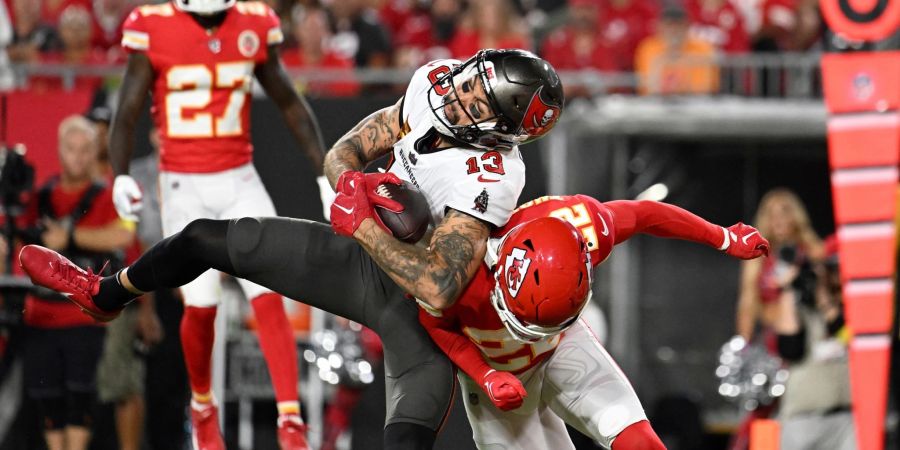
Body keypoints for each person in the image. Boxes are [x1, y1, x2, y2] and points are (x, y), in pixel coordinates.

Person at [20, 48, 566, 450]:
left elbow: (439, 289)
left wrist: (366, 227)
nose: (459, 94)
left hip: (421, 315)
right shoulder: (433, 83)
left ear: (502, 132)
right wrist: (352, 184)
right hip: (357, 262)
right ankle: (105, 292)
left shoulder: (493, 175)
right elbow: (346, 150)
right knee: (205, 237)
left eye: (477, 100)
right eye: (471, 81)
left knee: (406, 440)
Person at [107, 1, 328, 448]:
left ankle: (291, 420)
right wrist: (121, 173)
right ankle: (203, 406)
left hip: (239, 176)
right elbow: (128, 106)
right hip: (183, 182)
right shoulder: (153, 25)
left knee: (269, 292)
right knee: (202, 302)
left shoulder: (253, 20)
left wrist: (324, 172)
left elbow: (288, 99)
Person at [417, 194, 770, 449]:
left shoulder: (581, 226)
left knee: (638, 440)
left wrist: (722, 237)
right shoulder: (455, 269)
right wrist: (486, 376)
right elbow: (434, 326)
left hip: (559, 346)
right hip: (495, 368)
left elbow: (644, 213)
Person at [18, 115, 136, 450]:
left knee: (81, 401)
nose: (78, 157)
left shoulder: (111, 194)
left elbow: (125, 236)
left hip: (86, 319)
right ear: (59, 150)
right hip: (42, 315)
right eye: (71, 149)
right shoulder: (40, 196)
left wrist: (70, 236)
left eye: (86, 150)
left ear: (95, 150)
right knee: (49, 403)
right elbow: (18, 242)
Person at [771, 236, 855, 449]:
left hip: (847, 419)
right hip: (802, 418)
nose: (835, 275)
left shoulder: (854, 310)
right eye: (830, 269)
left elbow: (845, 334)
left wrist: (823, 297)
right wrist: (788, 288)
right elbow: (789, 348)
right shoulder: (801, 312)